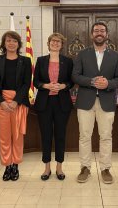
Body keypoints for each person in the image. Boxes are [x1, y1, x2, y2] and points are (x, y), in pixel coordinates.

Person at [72, 21, 118, 184]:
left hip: (107, 101)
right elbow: (75, 76)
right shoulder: (82, 54)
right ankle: (85, 168)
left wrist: (108, 84)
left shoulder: (116, 56)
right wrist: (92, 81)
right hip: (85, 101)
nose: (99, 33)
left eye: (102, 31)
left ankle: (105, 169)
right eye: (96, 31)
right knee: (84, 136)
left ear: (107, 35)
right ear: (91, 35)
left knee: (106, 136)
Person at [0, 31, 32, 181]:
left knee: (17, 136)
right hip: (1, 103)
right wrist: (1, 101)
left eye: (14, 41)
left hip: (18, 103)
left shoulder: (26, 61)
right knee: (4, 137)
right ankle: (7, 165)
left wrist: (16, 101)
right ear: (4, 43)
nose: (11, 43)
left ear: (19, 44)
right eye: (8, 40)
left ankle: (15, 165)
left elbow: (26, 83)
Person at [33, 33, 74, 181]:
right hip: (44, 102)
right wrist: (45, 85)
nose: (55, 43)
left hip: (62, 103)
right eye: (53, 41)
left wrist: (63, 85)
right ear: (48, 43)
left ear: (62, 45)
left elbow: (71, 81)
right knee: (46, 136)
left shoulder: (68, 61)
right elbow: (35, 80)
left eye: (58, 42)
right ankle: (47, 168)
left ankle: (59, 168)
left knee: (60, 135)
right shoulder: (41, 60)